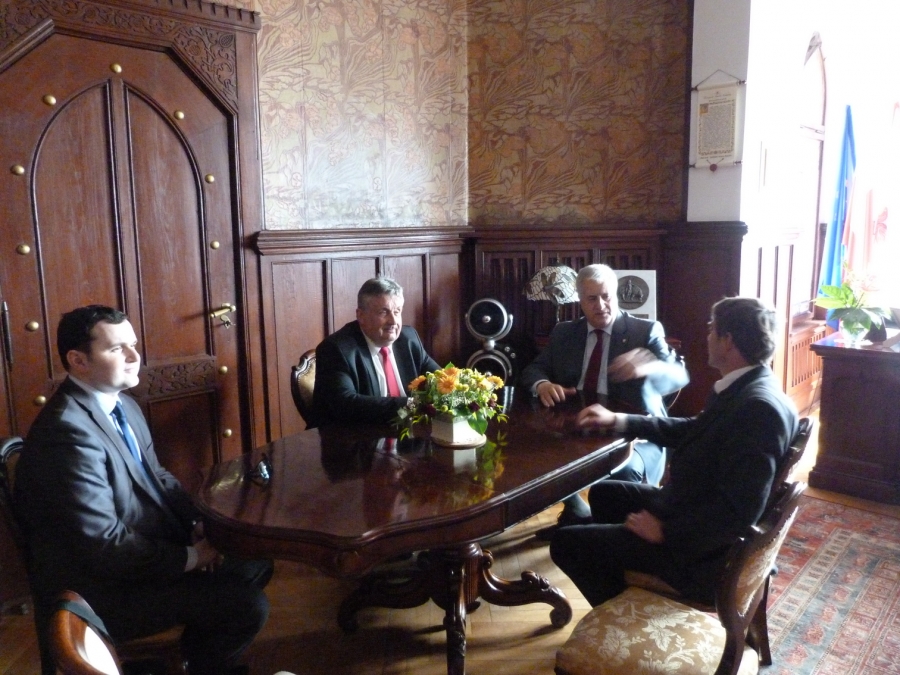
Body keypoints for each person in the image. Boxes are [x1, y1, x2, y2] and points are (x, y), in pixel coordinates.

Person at [15, 305, 272, 675]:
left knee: (253, 561)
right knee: (247, 605)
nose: (135, 357)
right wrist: (190, 558)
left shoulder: (123, 405)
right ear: (78, 360)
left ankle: (195, 659)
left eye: (133, 345)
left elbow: (158, 477)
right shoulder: (66, 433)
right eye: (117, 349)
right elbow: (102, 544)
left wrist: (199, 524)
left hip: (134, 556)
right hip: (100, 591)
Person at [549, 296, 800, 607]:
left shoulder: (757, 410)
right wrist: (620, 420)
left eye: (712, 329)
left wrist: (665, 532)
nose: (707, 336)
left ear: (727, 341)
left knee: (566, 543)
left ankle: (622, 615)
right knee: (604, 494)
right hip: (692, 506)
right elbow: (694, 429)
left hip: (701, 557)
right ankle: (623, 588)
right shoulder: (750, 386)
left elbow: (741, 510)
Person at [519, 264, 687, 530]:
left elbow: (678, 376)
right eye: (592, 299)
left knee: (623, 471)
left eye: (606, 296)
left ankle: (611, 535)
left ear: (615, 294)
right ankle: (577, 511)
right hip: (578, 426)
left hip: (633, 434)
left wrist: (650, 366)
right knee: (532, 451)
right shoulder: (565, 332)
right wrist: (542, 384)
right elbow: (533, 369)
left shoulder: (644, 331)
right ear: (580, 301)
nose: (600, 305)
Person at [311, 276, 440, 427]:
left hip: (409, 432)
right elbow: (345, 404)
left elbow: (441, 379)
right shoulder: (336, 349)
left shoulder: (408, 339)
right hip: (355, 435)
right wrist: (413, 404)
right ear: (361, 315)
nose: (393, 321)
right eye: (384, 312)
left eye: (397, 311)